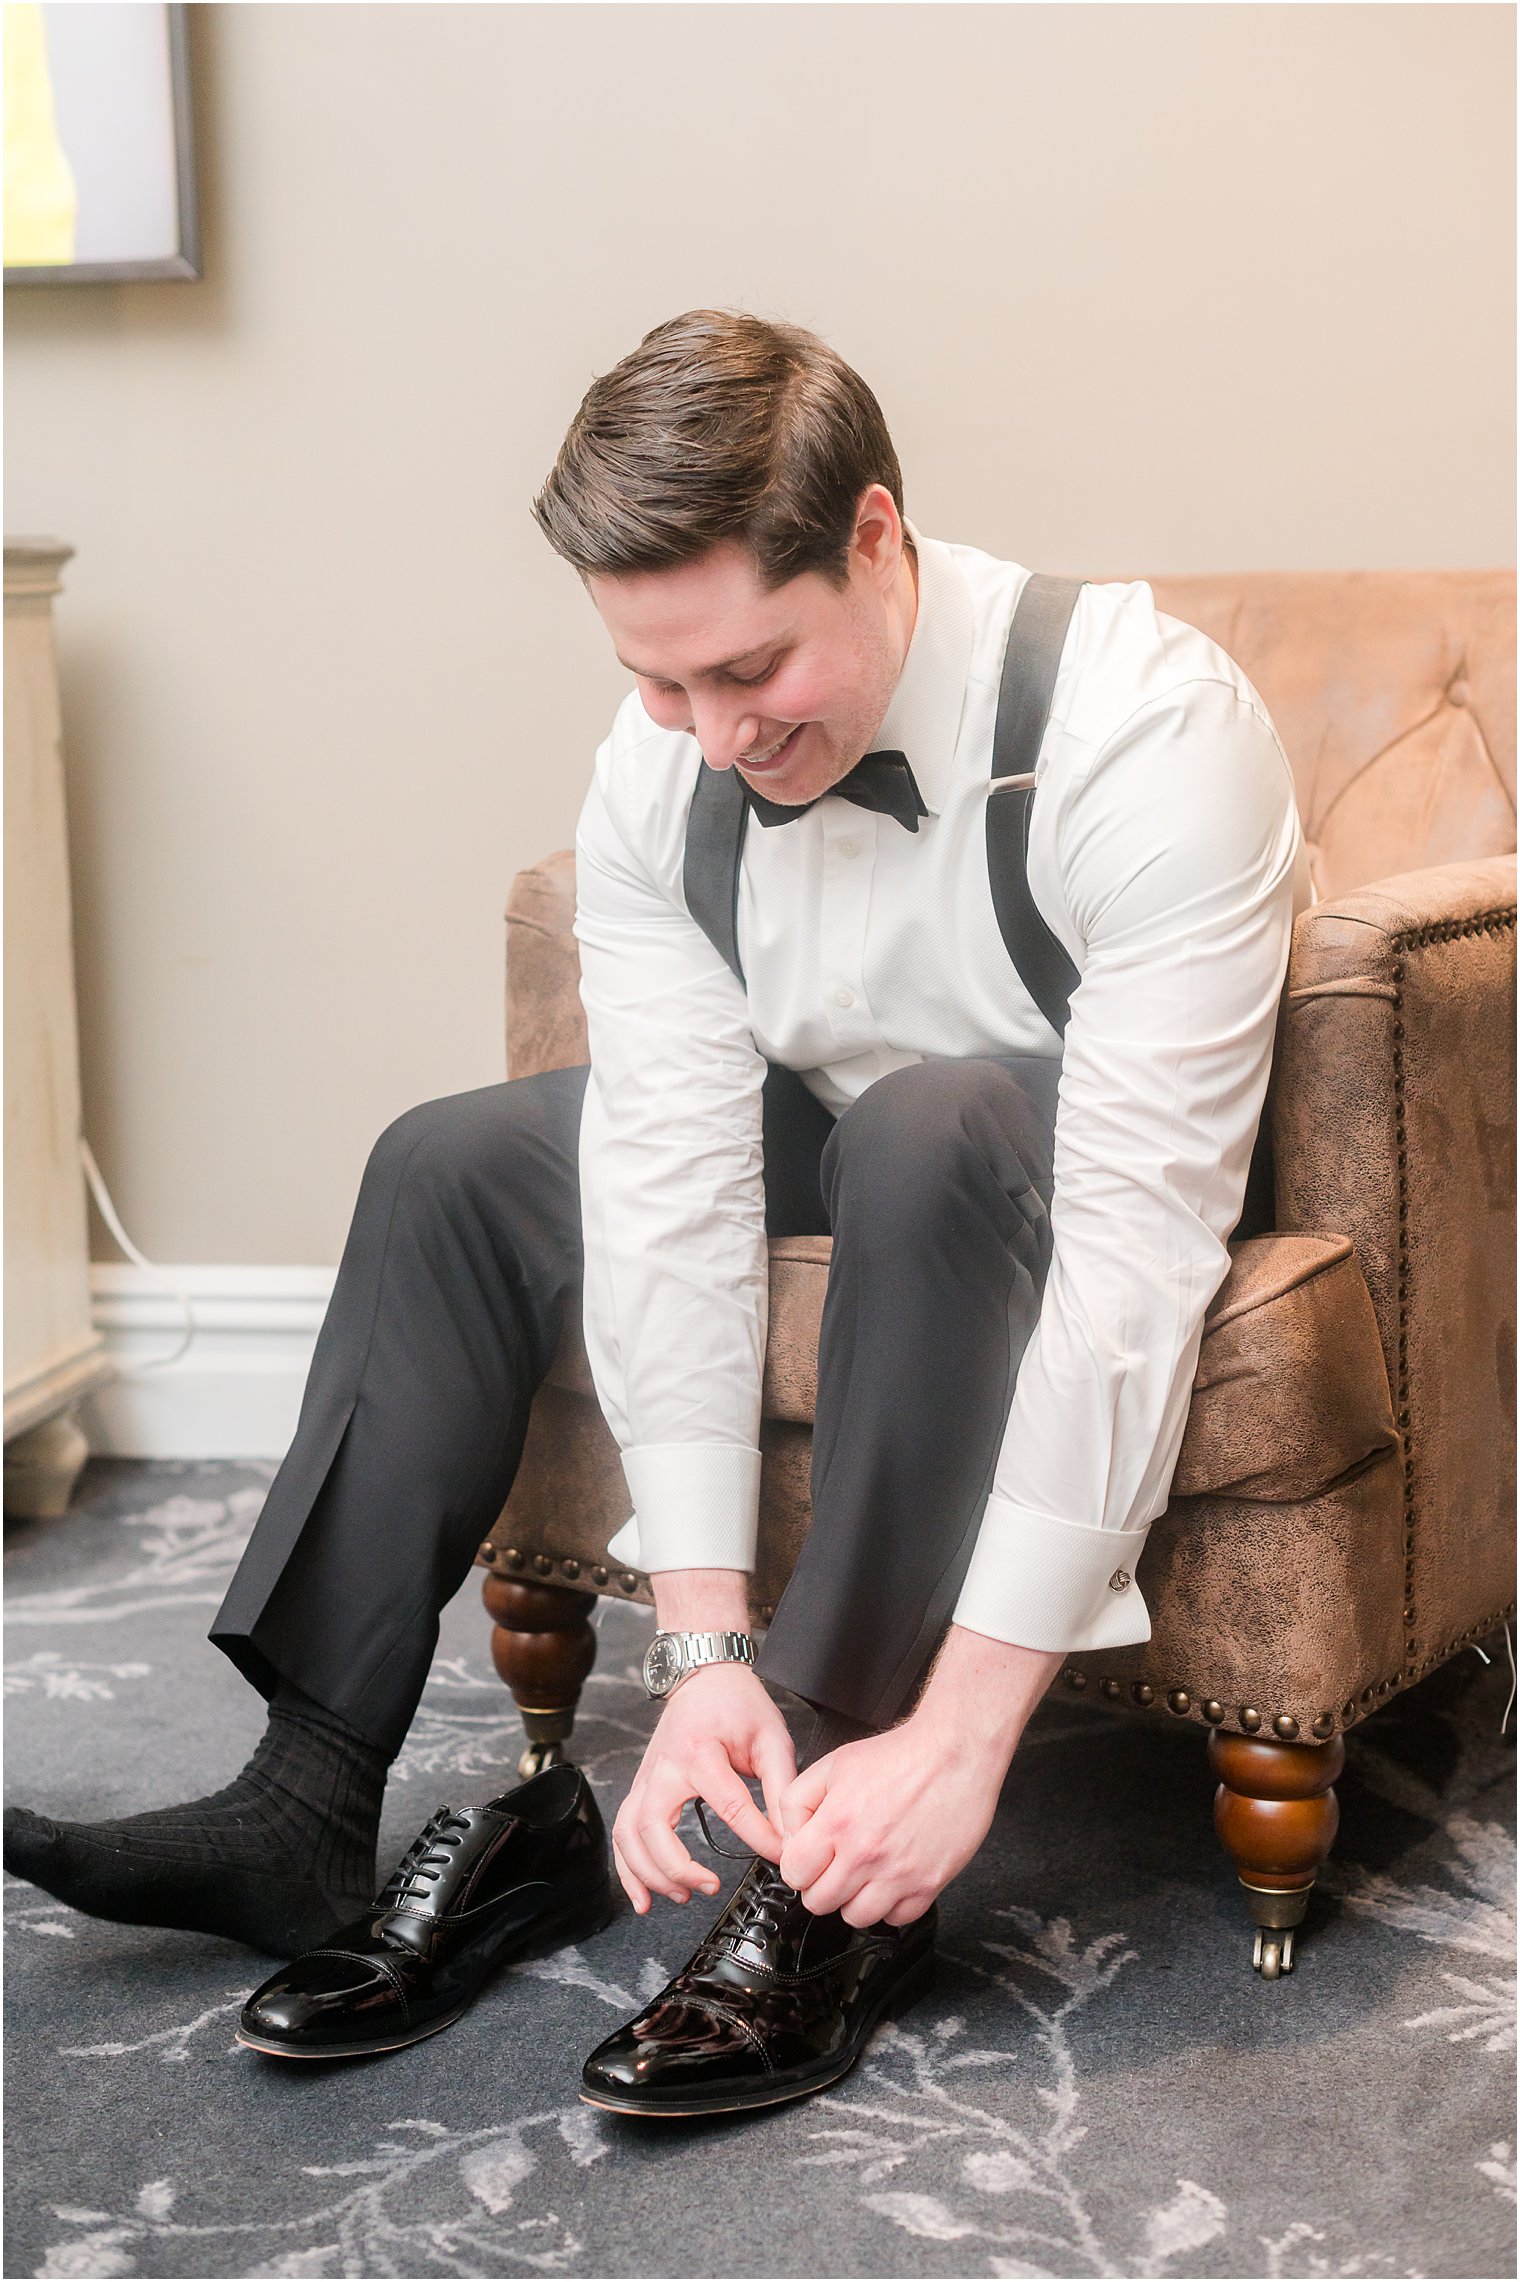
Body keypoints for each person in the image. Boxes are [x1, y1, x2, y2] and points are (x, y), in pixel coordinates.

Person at [5, 310, 1307, 2113]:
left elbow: (1144, 1252)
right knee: (451, 1158)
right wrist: (690, 1643)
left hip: (1056, 1153)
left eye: (749, 670)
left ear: (874, 534)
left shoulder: (1145, 728)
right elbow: (672, 1178)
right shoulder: (666, 771)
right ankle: (306, 1793)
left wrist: (964, 1730)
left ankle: (822, 1841)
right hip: (826, 1118)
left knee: (928, 1128)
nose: (704, 737)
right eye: (657, 681)